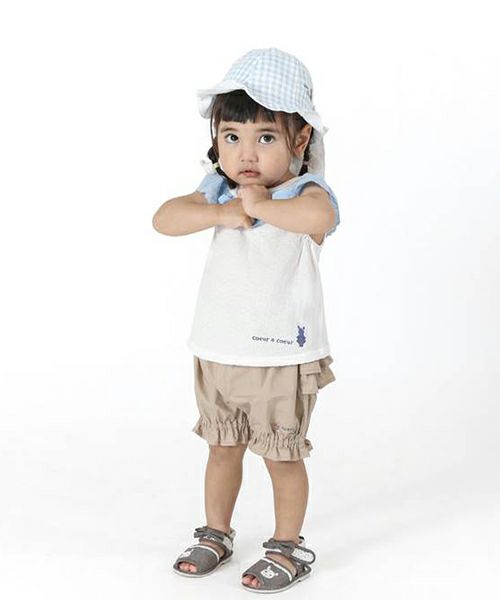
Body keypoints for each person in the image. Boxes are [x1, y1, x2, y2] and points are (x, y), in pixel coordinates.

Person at [152, 47, 341, 593]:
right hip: (219, 350)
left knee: (281, 456)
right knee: (222, 448)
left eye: (266, 137)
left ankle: (287, 545)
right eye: (232, 136)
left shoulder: (303, 192)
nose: (246, 153)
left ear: (300, 141)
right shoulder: (218, 190)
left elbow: (321, 217)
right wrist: (222, 211)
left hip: (280, 356)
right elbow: (165, 218)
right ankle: (216, 531)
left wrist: (259, 206)